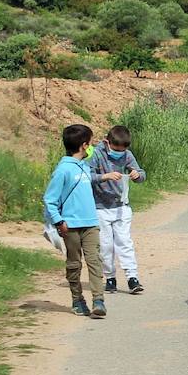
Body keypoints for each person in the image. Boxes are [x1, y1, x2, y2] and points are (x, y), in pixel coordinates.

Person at [44, 124, 107, 318]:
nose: (91, 147)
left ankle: (98, 301)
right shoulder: (63, 170)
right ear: (83, 145)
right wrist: (58, 221)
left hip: (91, 224)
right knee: (74, 264)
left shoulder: (84, 166)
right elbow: (49, 199)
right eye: (90, 144)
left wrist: (102, 147)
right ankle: (77, 299)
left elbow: (95, 156)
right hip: (70, 226)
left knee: (95, 260)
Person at [88, 124, 147, 295]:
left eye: (122, 150)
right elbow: (87, 176)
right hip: (100, 208)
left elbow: (141, 174)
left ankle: (132, 278)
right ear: (107, 142)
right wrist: (104, 176)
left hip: (121, 207)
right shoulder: (97, 153)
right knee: (106, 245)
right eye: (115, 149)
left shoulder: (127, 155)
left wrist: (137, 175)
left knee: (124, 242)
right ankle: (110, 278)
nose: (118, 153)